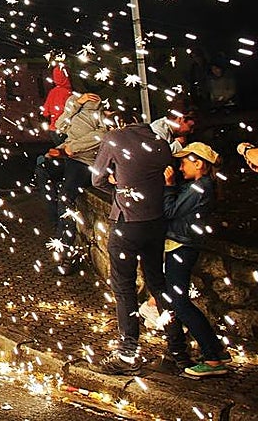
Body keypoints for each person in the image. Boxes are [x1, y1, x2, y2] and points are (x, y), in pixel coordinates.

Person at [90, 113, 192, 374]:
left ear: (121, 123)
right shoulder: (160, 143)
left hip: (127, 225)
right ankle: (177, 348)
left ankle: (127, 355)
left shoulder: (115, 138)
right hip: (155, 224)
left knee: (124, 289)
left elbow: (96, 179)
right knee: (158, 284)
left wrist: (118, 185)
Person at [160, 142, 230, 377]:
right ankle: (216, 352)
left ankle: (212, 358)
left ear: (198, 163)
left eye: (184, 162)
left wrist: (168, 186)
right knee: (179, 301)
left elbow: (170, 211)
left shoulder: (200, 188)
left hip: (182, 246)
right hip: (182, 244)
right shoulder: (199, 186)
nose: (180, 168)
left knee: (179, 303)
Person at [34, 91, 107, 273]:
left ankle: (65, 251)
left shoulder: (102, 116)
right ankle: (56, 222)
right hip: (65, 155)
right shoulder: (74, 110)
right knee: (42, 170)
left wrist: (72, 147)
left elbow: (101, 136)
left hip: (83, 162)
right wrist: (75, 105)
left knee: (66, 198)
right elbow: (59, 126)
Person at [41, 63, 73, 138]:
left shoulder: (53, 91)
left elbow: (45, 112)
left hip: (53, 129)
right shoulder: (68, 93)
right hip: (65, 129)